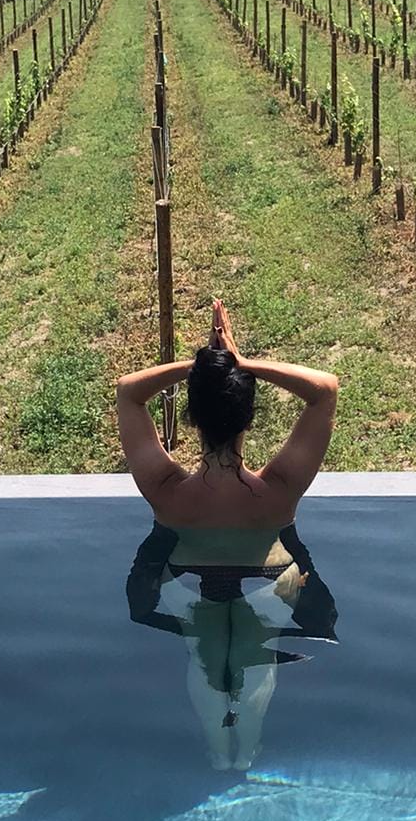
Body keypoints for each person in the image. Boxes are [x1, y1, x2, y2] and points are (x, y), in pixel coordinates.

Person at [117, 300, 339, 768]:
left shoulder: (165, 490)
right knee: (255, 661)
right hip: (268, 583)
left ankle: (218, 754)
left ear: (193, 418)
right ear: (248, 418)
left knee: (204, 660)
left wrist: (203, 368)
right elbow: (324, 390)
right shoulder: (280, 489)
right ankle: (247, 753)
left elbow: (129, 391)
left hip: (188, 584)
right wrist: (239, 363)